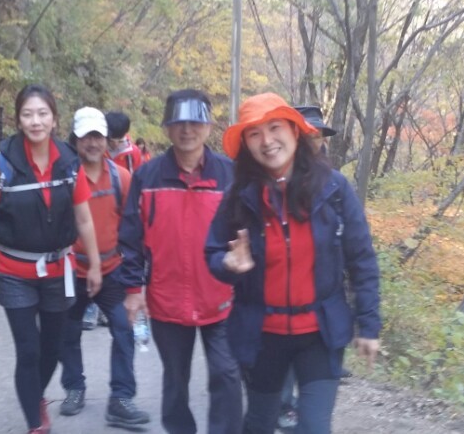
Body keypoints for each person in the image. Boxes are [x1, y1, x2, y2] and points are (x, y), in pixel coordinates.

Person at [205, 92, 381, 434]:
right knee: (260, 422)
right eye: (254, 133)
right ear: (246, 144)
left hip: (319, 333)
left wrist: (369, 325)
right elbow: (211, 253)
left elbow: (361, 259)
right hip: (262, 334)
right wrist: (227, 262)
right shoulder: (239, 196)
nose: (267, 141)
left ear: (295, 131)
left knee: (314, 427)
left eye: (275, 128)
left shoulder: (334, 189)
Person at [0, 84, 103, 434]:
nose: (35, 121)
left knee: (52, 347)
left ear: (54, 119)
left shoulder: (69, 163)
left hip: (58, 269)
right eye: (28, 114)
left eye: (42, 114)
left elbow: (84, 218)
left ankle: (36, 395)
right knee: (28, 350)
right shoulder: (2, 165)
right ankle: (35, 422)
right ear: (18, 120)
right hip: (13, 271)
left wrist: (93, 264)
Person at [117, 89, 243, 434]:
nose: (187, 130)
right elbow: (130, 237)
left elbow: (247, 232)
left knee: (227, 374)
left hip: (221, 297)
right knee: (175, 378)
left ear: (209, 126)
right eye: (179, 123)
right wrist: (133, 289)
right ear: (167, 128)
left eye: (195, 122)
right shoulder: (148, 177)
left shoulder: (230, 175)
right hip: (167, 299)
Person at [57, 107, 151, 430]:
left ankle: (121, 398)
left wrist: (136, 278)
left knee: (124, 329)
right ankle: (74, 388)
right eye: (86, 137)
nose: (93, 143)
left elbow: (133, 229)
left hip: (112, 270)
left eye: (98, 136)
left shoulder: (121, 178)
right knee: (68, 332)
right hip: (73, 271)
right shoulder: (65, 178)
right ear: (75, 140)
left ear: (107, 139)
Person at [277, 105, 340, 431]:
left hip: (323, 297)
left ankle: (300, 408)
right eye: (309, 134)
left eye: (319, 135)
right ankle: (284, 406)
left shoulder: (333, 182)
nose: (315, 140)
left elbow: (355, 245)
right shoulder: (275, 179)